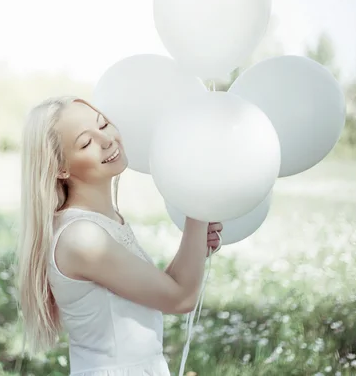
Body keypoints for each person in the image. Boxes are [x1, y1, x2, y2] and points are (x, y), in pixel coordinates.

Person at [16, 95, 222, 375]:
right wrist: (197, 205)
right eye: (86, 143)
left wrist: (196, 248)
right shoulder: (83, 237)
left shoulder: (104, 222)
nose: (106, 140)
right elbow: (180, 299)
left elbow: (160, 290)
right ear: (61, 168)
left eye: (103, 125)